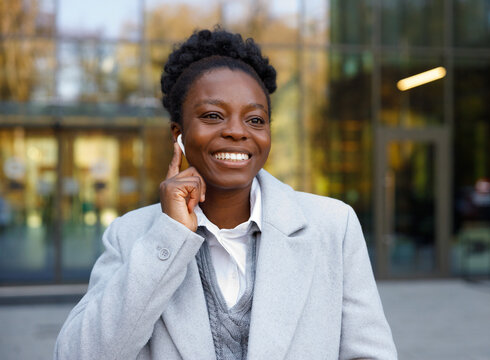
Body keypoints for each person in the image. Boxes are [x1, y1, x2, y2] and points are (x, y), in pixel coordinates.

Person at [55, 28, 397, 360]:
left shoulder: (333, 227)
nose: (237, 131)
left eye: (256, 120)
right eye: (213, 115)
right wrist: (169, 238)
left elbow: (369, 354)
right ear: (179, 134)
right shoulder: (130, 236)